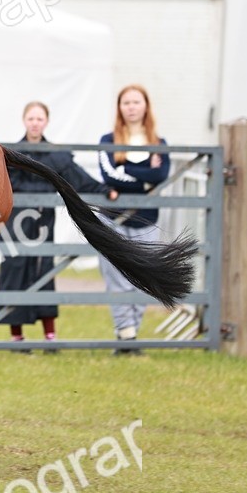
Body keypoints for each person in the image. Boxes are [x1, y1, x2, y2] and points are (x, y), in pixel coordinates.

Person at [0, 102, 117, 352]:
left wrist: (106, 191)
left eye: (40, 118)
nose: (35, 123)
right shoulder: (11, 155)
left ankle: (49, 336)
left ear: (46, 122)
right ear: (24, 120)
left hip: (42, 223)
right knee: (14, 271)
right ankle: (16, 338)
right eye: (31, 118)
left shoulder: (56, 156)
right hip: (15, 224)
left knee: (44, 273)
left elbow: (79, 179)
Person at [98, 84, 170, 355]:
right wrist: (143, 176)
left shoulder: (159, 144)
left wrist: (125, 167)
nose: (131, 107)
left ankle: (132, 333)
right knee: (117, 278)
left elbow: (161, 176)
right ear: (119, 107)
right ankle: (125, 337)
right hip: (113, 221)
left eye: (136, 102)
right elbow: (108, 175)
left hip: (147, 220)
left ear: (145, 106)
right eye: (125, 102)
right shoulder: (107, 140)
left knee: (143, 279)